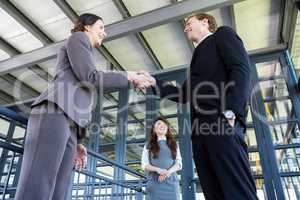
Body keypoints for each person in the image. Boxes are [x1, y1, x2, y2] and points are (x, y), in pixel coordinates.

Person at [15, 13, 155, 200]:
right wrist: (130, 75)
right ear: (87, 27)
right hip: (54, 111)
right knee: (38, 182)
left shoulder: (84, 50)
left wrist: (78, 140)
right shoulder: (78, 37)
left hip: (70, 125)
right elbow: (90, 77)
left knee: (59, 189)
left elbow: (82, 86)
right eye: (101, 27)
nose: (104, 33)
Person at [141, 13, 258, 200]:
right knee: (213, 192)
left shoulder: (222, 35)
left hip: (222, 122)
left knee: (237, 191)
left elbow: (241, 68)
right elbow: (182, 94)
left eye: (189, 23)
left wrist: (232, 110)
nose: (185, 27)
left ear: (205, 22)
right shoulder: (196, 59)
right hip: (200, 134)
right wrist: (153, 82)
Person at [141, 117, 182, 200]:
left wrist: (167, 172)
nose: (162, 126)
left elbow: (179, 163)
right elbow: (144, 164)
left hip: (171, 183)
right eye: (159, 124)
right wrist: (158, 169)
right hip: (154, 183)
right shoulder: (148, 145)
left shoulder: (174, 144)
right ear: (154, 130)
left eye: (164, 124)